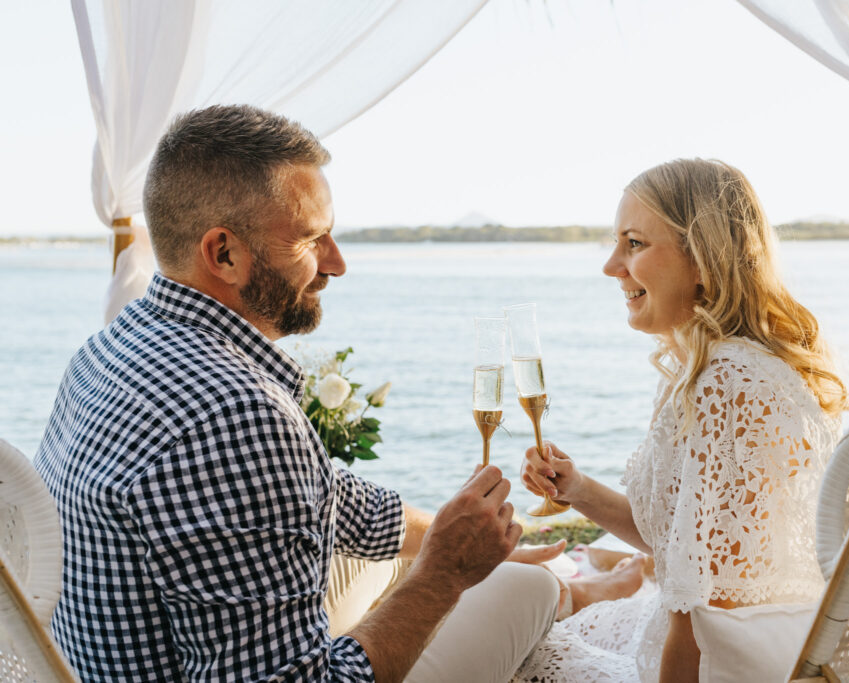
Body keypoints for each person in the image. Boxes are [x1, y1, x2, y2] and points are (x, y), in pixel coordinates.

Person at [35, 104, 566, 682]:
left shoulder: (107, 347)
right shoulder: (237, 413)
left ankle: (567, 590)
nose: (337, 264)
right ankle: (573, 597)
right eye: (313, 239)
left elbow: (326, 494)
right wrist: (443, 573)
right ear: (225, 254)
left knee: (376, 566)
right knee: (527, 587)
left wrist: (442, 531)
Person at [514, 159, 849, 682]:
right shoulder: (729, 364)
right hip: (772, 643)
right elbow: (691, 549)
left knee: (518, 649)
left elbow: (703, 613)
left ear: (703, 258)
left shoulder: (725, 382)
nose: (611, 265)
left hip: (731, 663)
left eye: (633, 243)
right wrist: (580, 489)